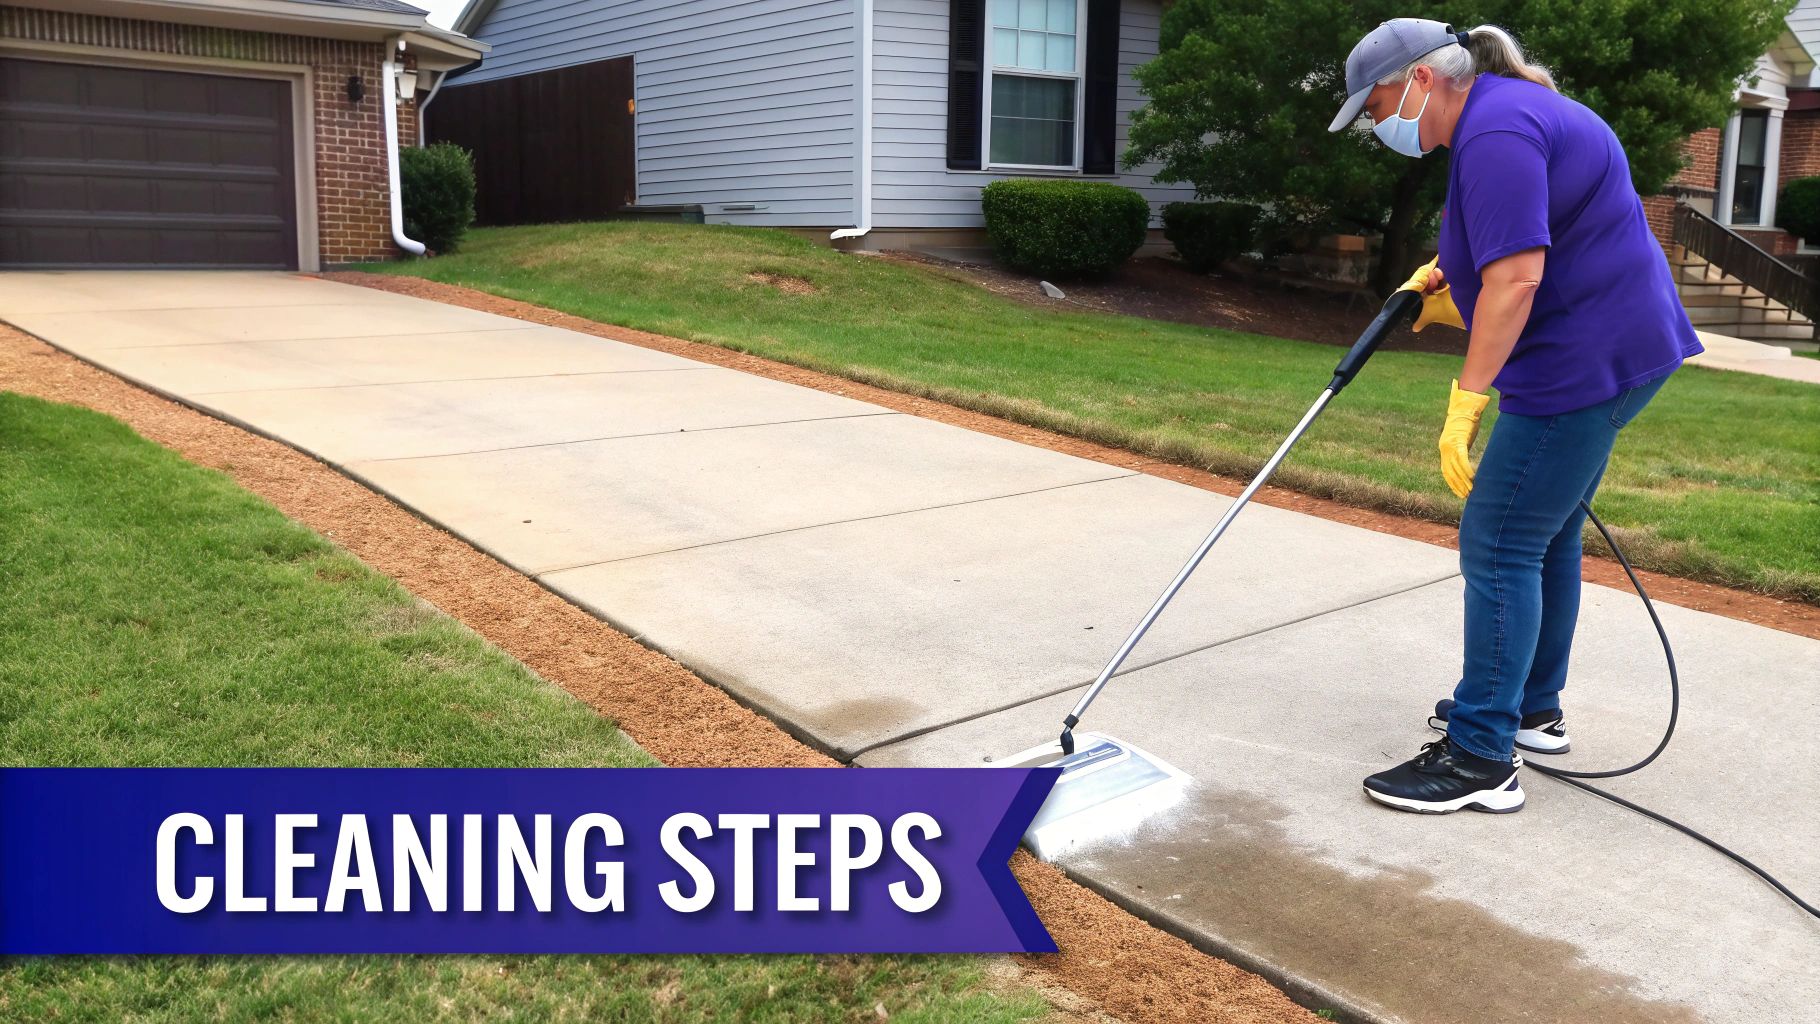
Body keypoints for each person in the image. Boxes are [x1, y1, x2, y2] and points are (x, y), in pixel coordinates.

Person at [1326, 20, 1703, 813]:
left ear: (1420, 80)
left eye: (1376, 106)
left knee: (1498, 539)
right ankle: (1530, 709)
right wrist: (1447, 276)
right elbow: (1522, 235)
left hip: (1583, 361)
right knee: (1545, 533)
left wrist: (1468, 399)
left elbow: (1518, 281)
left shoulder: (1495, 130)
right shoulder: (1504, 113)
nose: (1375, 124)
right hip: (1618, 344)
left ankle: (1479, 756)